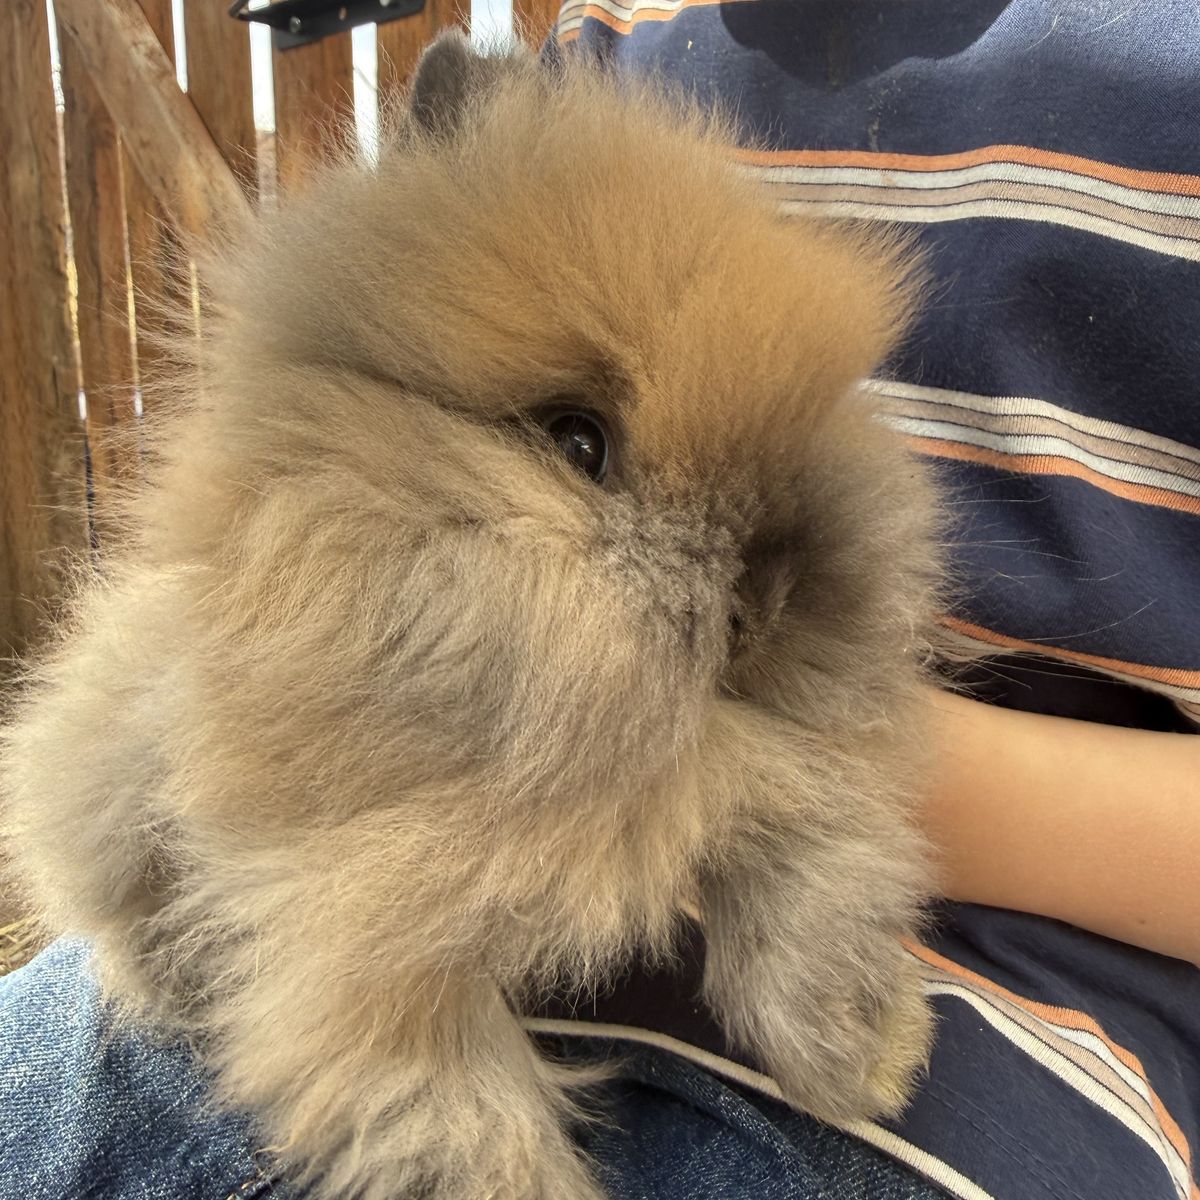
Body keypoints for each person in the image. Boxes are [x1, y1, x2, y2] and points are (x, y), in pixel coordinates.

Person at [3, 4, 1198, 1198]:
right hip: (222, 967)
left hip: (1038, 1012)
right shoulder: (618, 46)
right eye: (580, 446)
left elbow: (823, 759)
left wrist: (798, 786)